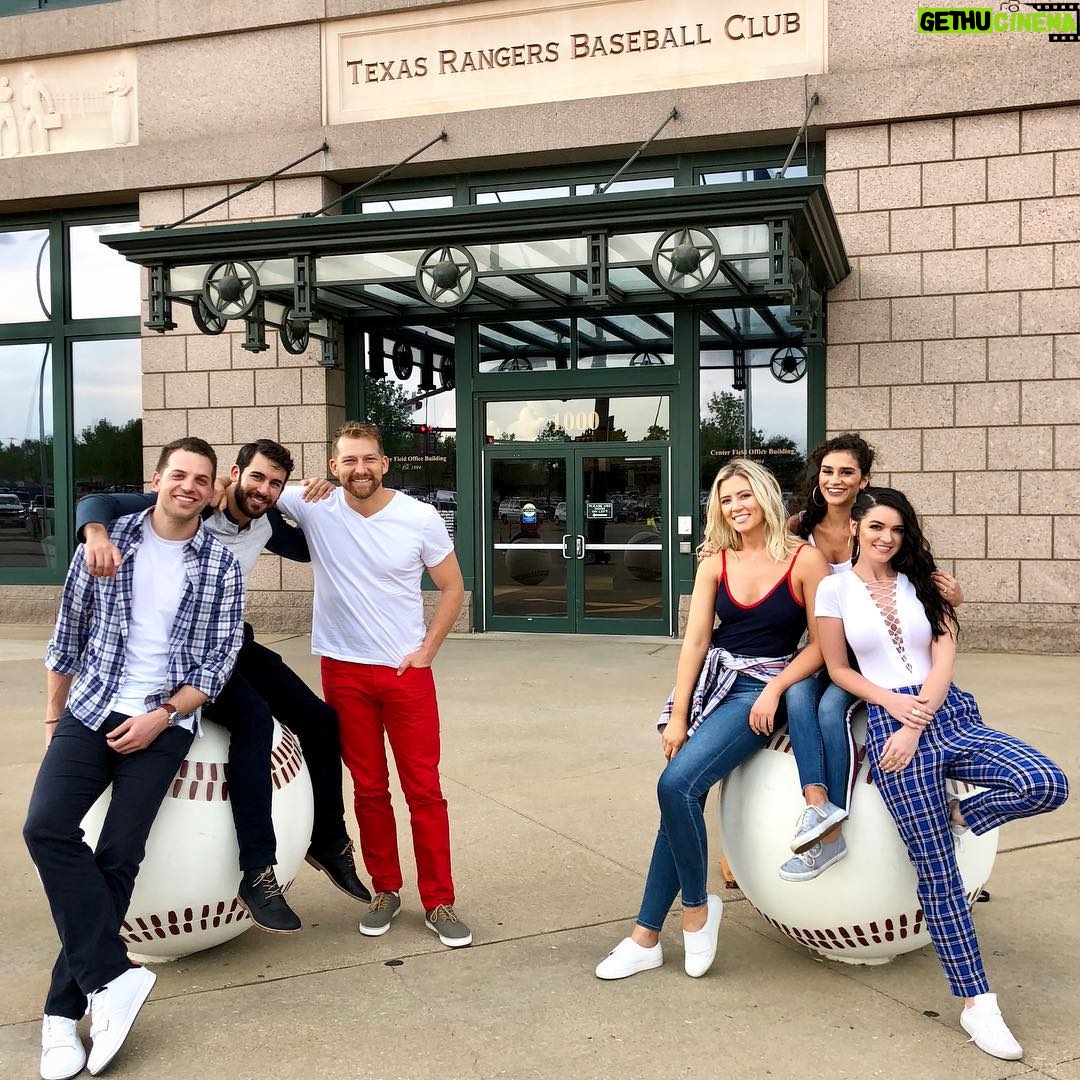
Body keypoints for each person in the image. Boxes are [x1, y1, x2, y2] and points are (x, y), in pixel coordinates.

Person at [75, 439, 372, 935]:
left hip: (231, 641)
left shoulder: (265, 522)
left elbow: (311, 546)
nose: (264, 490)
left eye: (275, 484)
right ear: (233, 474)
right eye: (256, 477)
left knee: (320, 720)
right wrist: (96, 535)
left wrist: (333, 493)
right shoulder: (196, 505)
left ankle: (327, 840)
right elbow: (97, 502)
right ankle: (257, 873)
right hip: (179, 655)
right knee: (252, 720)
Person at [815, 487, 1068, 1061]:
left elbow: (945, 657)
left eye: (896, 530)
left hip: (946, 713)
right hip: (888, 718)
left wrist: (917, 722)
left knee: (1045, 782)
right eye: (876, 527)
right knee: (937, 870)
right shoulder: (834, 588)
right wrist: (892, 708)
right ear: (855, 527)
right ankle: (978, 1002)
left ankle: (959, 812)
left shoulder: (925, 583)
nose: (887, 538)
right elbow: (837, 668)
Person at [23, 437, 244, 1080]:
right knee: (45, 829)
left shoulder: (221, 566)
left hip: (162, 721)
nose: (188, 487)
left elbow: (217, 665)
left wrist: (162, 717)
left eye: (201, 479)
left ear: (212, 490)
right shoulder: (106, 542)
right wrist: (53, 718)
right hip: (91, 707)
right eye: (179, 474)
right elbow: (67, 637)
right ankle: (113, 978)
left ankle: (61, 1015)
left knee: (120, 855)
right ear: (157, 477)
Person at [595, 459, 828, 981]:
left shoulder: (804, 559)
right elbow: (696, 641)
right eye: (726, 500)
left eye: (744, 495)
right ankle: (645, 937)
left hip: (761, 689)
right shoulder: (715, 562)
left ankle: (697, 910)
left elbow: (820, 645)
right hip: (712, 683)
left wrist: (775, 689)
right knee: (680, 801)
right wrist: (678, 715)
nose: (736, 507)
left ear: (765, 496)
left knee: (675, 786)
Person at [275, 421, 471, 947]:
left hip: (406, 673)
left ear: (384, 464)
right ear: (333, 466)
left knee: (423, 790)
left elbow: (453, 588)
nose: (359, 469)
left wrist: (427, 651)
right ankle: (386, 889)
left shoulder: (419, 516)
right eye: (348, 460)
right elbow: (245, 488)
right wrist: (303, 485)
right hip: (343, 670)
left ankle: (439, 900)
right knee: (368, 789)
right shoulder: (314, 505)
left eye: (368, 459)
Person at [779, 433, 966, 881]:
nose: (835, 480)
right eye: (827, 471)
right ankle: (817, 807)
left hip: (875, 651)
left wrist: (955, 597)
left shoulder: (883, 521)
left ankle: (841, 827)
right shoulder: (799, 527)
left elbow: (923, 590)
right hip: (831, 644)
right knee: (798, 694)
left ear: (863, 480)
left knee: (831, 708)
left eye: (847, 472)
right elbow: (757, 548)